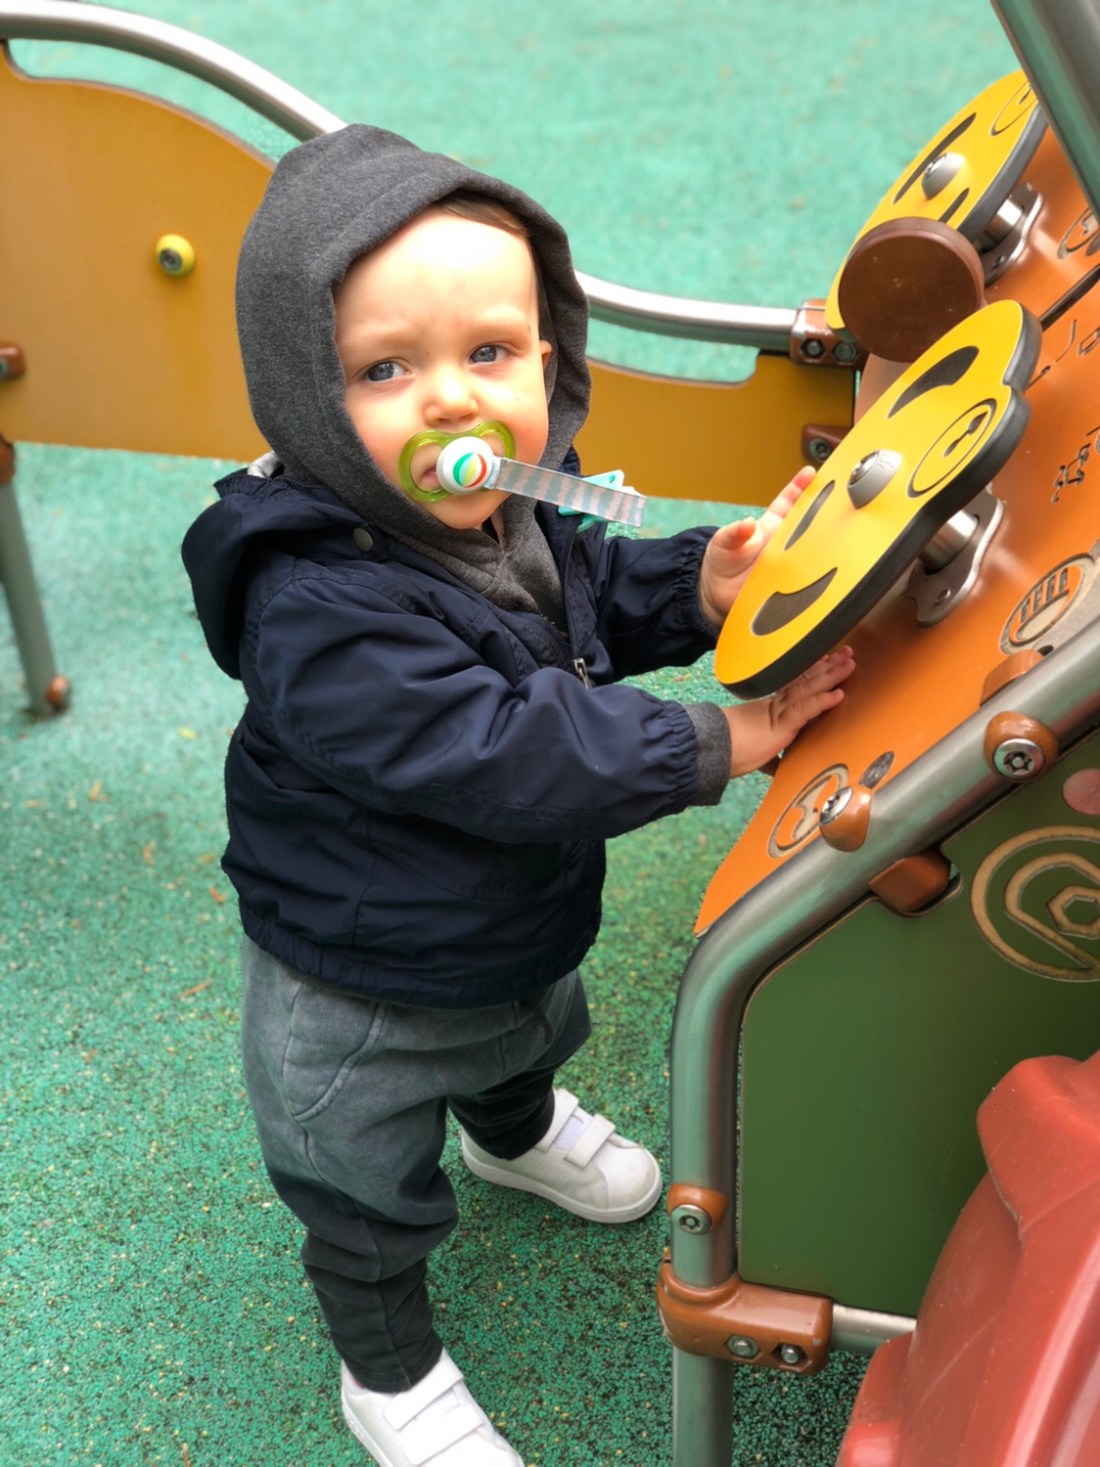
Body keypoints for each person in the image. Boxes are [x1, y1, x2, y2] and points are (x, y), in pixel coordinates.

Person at [182, 124, 854, 1467]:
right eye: (386, 369)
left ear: (549, 358)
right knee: (364, 1185)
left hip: (499, 917)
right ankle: (386, 1372)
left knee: (526, 1032)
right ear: (305, 397)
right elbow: (499, 745)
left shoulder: (507, 509)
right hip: (361, 974)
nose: (452, 403)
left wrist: (699, 584)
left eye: (489, 352)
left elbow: (584, 586)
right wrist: (718, 740)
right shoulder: (314, 603)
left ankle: (514, 1131)